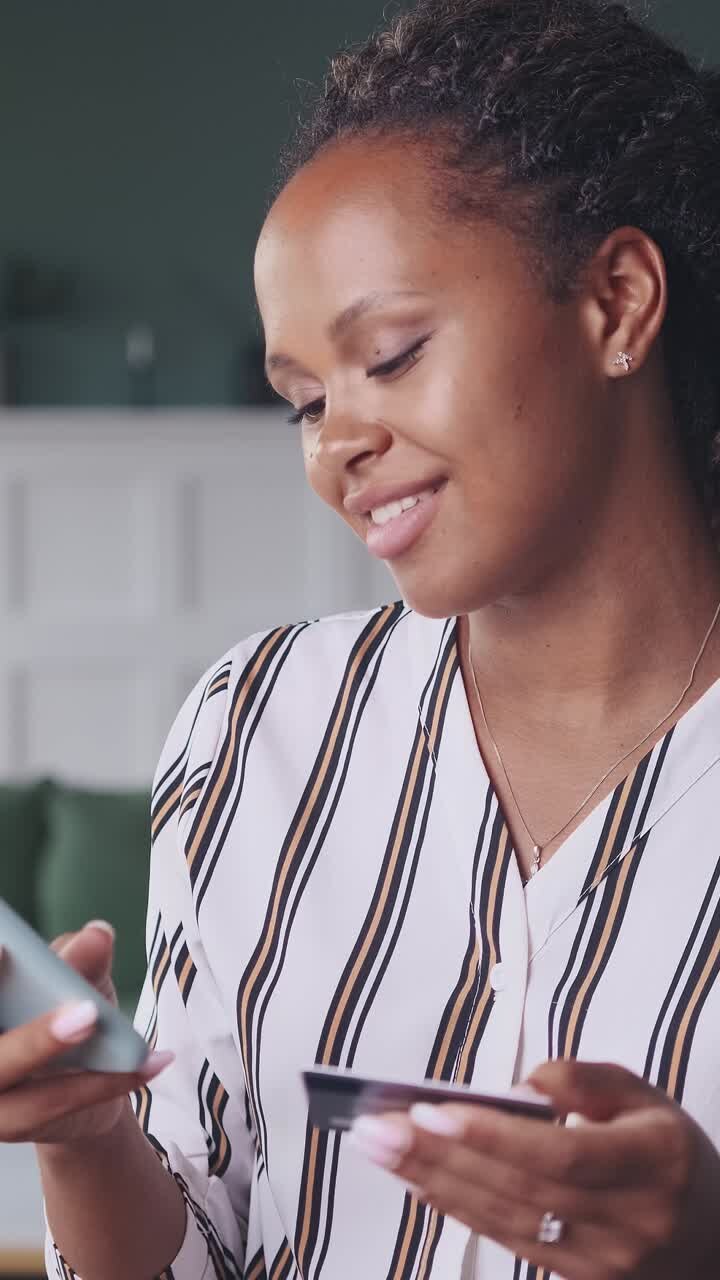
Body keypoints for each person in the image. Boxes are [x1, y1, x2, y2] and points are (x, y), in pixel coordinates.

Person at [2, 0, 720, 1275]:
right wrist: (90, 1138)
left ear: (617, 302)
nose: (337, 443)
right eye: (302, 401)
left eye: (390, 356)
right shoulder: (257, 729)